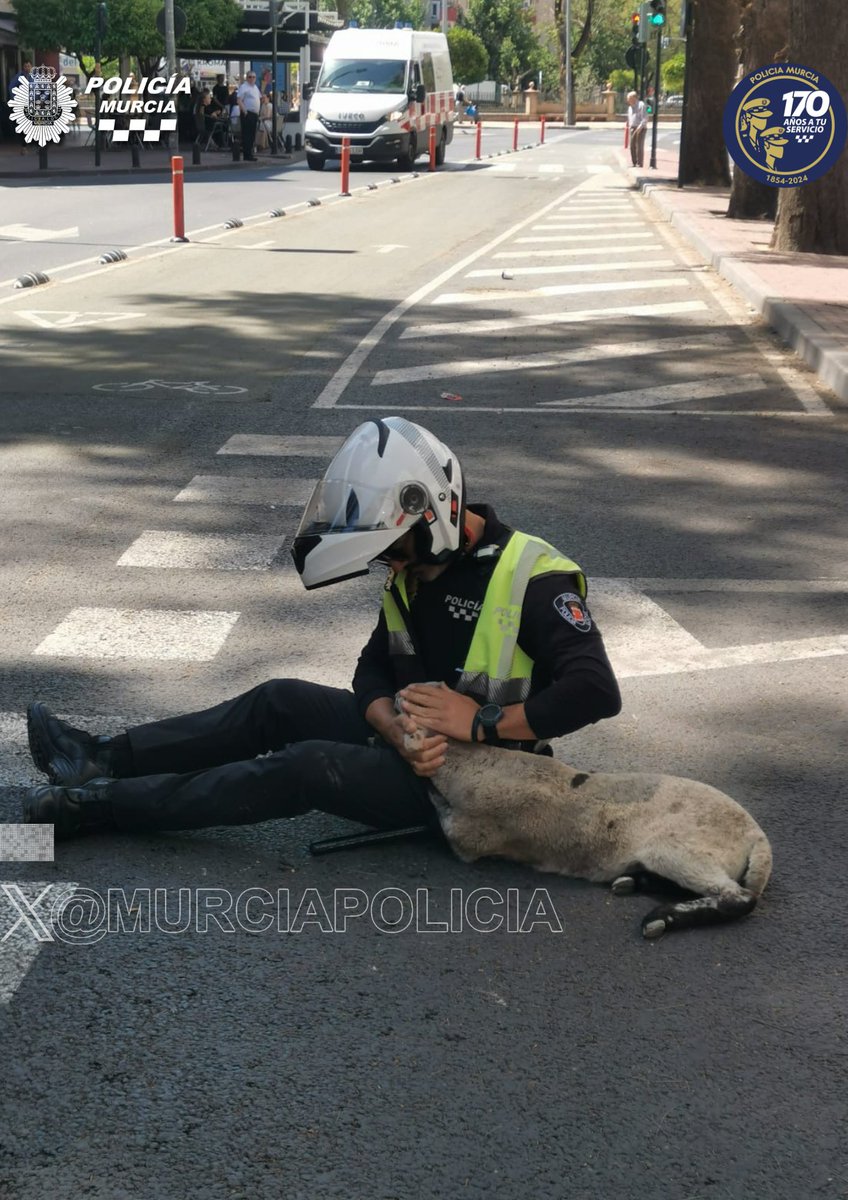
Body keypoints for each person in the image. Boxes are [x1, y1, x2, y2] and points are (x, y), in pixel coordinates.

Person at [22, 418, 622, 842]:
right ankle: (99, 759)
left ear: (431, 511)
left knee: (306, 766)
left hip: (484, 779)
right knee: (278, 698)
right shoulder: (417, 561)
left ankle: (97, 807)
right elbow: (372, 666)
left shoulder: (534, 576)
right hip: (414, 746)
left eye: (392, 548)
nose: (388, 562)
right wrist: (388, 723)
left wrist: (480, 722)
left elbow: (596, 690)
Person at [236, 70, 262, 160]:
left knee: (252, 135)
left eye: (253, 77)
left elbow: (259, 98)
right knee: (247, 135)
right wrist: (245, 111)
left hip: (254, 114)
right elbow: (239, 100)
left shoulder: (255, 87)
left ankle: (249, 154)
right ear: (247, 78)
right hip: (248, 113)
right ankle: (247, 155)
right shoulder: (244, 87)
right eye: (250, 77)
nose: (251, 79)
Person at [627, 90, 648, 168]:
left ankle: (640, 163)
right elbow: (630, 117)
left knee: (639, 146)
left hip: (640, 128)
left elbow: (645, 117)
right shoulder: (630, 107)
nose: (628, 100)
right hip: (632, 127)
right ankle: (634, 162)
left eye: (629, 98)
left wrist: (641, 126)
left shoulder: (641, 105)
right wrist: (629, 125)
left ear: (634, 98)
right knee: (632, 145)